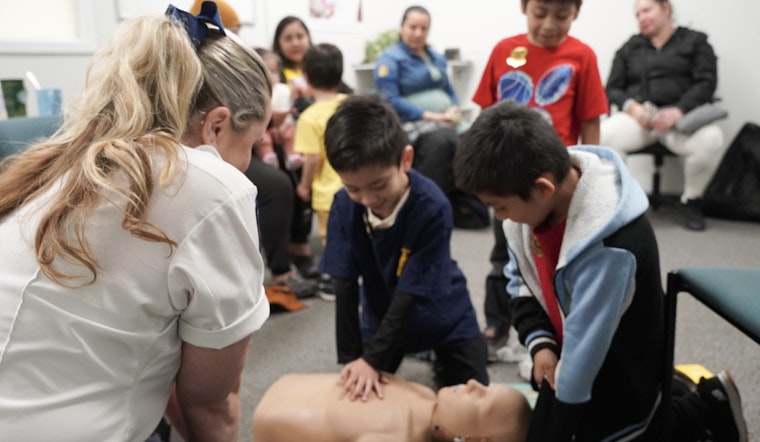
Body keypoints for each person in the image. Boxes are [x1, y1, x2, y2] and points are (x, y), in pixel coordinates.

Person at [0, 4, 272, 440]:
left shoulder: (58, 165)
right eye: (254, 142)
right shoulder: (212, 186)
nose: (252, 160)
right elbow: (209, 403)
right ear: (216, 127)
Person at [453, 99, 747, 441]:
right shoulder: (522, 211)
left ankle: (705, 406)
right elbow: (521, 281)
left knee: (622, 431)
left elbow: (580, 364)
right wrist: (540, 342)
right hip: (572, 339)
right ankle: (675, 396)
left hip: (623, 357)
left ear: (543, 189)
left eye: (500, 207)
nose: (499, 217)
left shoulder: (611, 248)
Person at [320, 95, 489, 400]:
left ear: (405, 160)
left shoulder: (432, 206)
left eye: (380, 185)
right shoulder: (344, 206)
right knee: (360, 396)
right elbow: (344, 284)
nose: (368, 199)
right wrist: (353, 359)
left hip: (441, 313)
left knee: (475, 399)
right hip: (382, 317)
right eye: (353, 188)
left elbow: (411, 293)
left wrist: (373, 359)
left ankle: (438, 358)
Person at [471, 0, 609, 361]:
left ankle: (555, 330)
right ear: (524, 7)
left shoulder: (583, 56)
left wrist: (595, 174)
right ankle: (496, 323)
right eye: (540, 13)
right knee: (505, 252)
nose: (549, 24)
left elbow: (591, 120)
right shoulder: (505, 50)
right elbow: (486, 113)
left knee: (556, 255)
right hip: (505, 178)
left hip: (552, 184)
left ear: (576, 12)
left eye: (561, 16)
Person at [601, 0, 725, 231]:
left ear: (666, 7)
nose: (641, 18)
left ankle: (692, 200)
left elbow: (706, 82)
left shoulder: (695, 41)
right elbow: (613, 88)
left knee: (711, 138)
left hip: (680, 121)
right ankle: (617, 203)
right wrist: (633, 108)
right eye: (637, 14)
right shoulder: (631, 46)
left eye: (647, 10)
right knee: (604, 135)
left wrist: (679, 110)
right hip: (640, 121)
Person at [252, 373, 531, 442]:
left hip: (269, 419)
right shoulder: (423, 393)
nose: (473, 384)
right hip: (287, 384)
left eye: (482, 399)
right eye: (486, 386)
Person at [373, 5, 461, 202]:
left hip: (445, 119)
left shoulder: (436, 57)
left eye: (424, 28)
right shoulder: (390, 59)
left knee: (475, 137)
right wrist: (430, 115)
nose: (418, 33)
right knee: (443, 140)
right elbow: (390, 100)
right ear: (402, 27)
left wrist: (454, 106)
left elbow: (449, 89)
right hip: (412, 123)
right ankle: (431, 201)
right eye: (413, 27)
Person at [292, 43, 348, 301]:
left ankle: (337, 282)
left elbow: (312, 158)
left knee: (332, 239)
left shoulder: (309, 117)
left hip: (328, 193)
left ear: (308, 77)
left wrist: (304, 185)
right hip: (354, 186)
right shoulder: (350, 105)